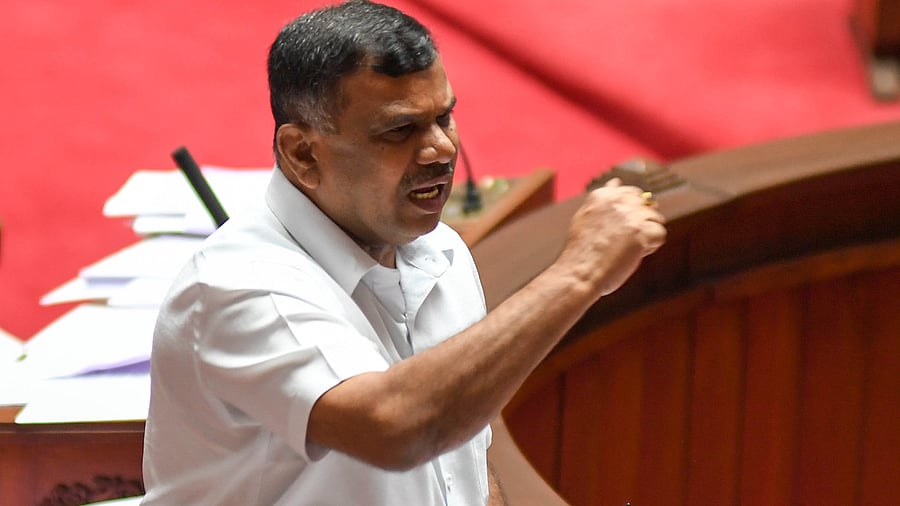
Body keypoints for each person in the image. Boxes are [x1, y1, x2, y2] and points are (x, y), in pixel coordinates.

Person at [140, 1, 667, 504]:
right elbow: (395, 428)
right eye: (400, 130)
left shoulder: (442, 252)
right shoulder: (238, 286)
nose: (440, 149)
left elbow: (464, 461)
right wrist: (580, 273)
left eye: (444, 117)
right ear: (303, 153)